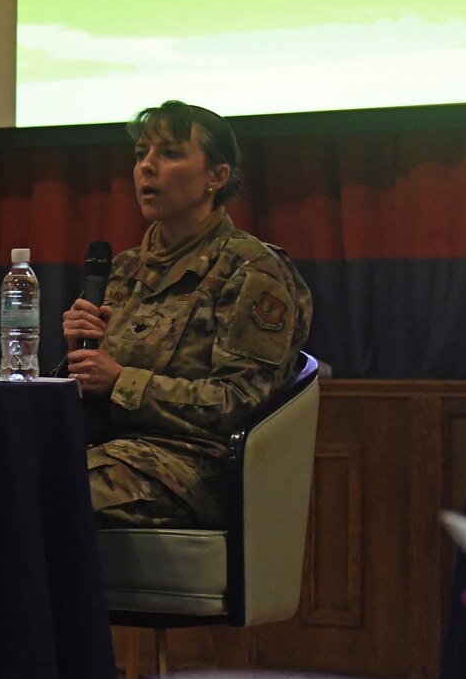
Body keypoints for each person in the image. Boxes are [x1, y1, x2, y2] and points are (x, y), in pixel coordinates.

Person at [61, 100, 313, 528]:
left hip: (191, 467)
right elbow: (93, 393)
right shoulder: (122, 270)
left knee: (44, 492)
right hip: (108, 449)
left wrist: (121, 381)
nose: (147, 167)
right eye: (141, 154)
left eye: (170, 153)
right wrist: (77, 361)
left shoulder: (251, 270)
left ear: (216, 177)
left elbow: (240, 402)